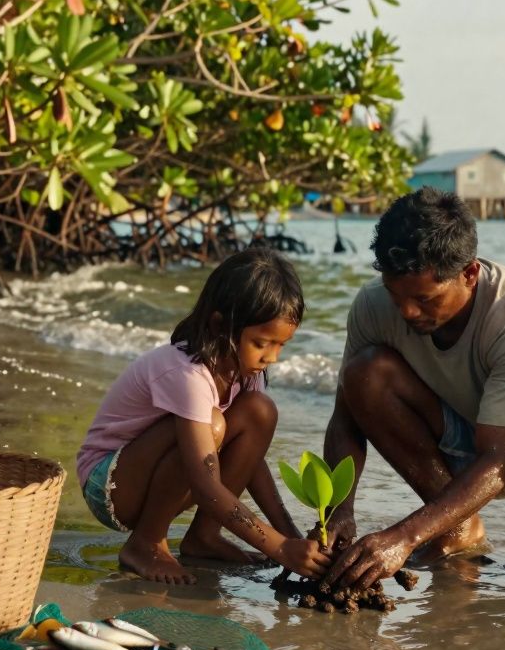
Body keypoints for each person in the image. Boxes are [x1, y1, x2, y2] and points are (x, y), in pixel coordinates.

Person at [319, 187, 505, 593]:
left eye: (425, 299)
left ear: (470, 273)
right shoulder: (375, 306)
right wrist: (339, 512)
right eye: (397, 296)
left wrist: (405, 537)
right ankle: (459, 528)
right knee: (364, 374)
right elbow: (345, 420)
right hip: (464, 434)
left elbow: (500, 460)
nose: (408, 312)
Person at [76, 247, 332, 585]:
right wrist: (280, 547)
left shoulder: (244, 368)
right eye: (261, 342)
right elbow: (204, 482)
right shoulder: (187, 374)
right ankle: (146, 543)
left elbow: (251, 461)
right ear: (219, 325)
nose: (272, 357)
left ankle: (204, 538)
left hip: (156, 476)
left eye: (281, 345)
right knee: (212, 425)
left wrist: (293, 538)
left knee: (260, 411)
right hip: (109, 483)